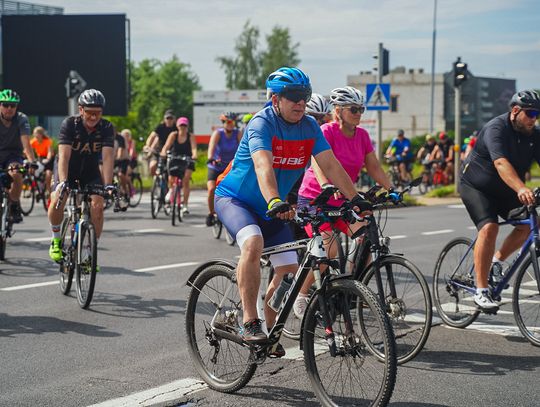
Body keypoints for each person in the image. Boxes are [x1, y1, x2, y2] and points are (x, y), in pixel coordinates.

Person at [214, 67, 371, 354]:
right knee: (253, 242)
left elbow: (330, 164)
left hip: (273, 207)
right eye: (294, 96)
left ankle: (268, 330)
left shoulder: (309, 126)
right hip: (237, 200)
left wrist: (356, 199)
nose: (300, 103)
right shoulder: (262, 123)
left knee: (288, 272)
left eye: (304, 96)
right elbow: (263, 165)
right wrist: (275, 200)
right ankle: (250, 321)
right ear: (275, 99)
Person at [293, 86, 394, 317]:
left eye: (361, 109)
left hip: (342, 200)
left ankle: (351, 285)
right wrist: (326, 184)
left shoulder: (363, 136)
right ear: (338, 111)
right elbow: (318, 162)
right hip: (315, 199)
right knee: (329, 250)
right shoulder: (326, 131)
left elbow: (374, 167)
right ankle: (302, 294)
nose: (359, 114)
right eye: (353, 109)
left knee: (367, 236)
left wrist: (392, 189)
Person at [459, 90, 540, 310]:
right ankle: (481, 291)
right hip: (477, 187)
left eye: (537, 115)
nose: (534, 119)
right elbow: (501, 163)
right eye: (531, 113)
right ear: (515, 111)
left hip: (506, 189)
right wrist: (521, 188)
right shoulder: (496, 128)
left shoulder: (534, 135)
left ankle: (496, 261)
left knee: (530, 224)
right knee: (489, 228)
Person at [48, 89, 115, 263]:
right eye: (90, 112)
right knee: (58, 199)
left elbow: (108, 157)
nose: (93, 117)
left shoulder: (106, 127)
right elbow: (64, 157)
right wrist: (63, 182)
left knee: (98, 207)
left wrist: (108, 185)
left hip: (90, 170)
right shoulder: (70, 124)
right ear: (81, 110)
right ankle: (56, 240)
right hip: (68, 168)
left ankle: (90, 252)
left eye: (97, 113)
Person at [0, 89, 36, 223]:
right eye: (5, 105)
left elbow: (26, 143)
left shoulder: (21, 119)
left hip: (13, 155)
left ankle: (14, 204)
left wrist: (31, 161)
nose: (9, 108)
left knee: (16, 173)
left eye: (13, 105)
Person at [205, 112, 242, 226]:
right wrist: (210, 158)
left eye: (232, 122)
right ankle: (211, 213)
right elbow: (211, 147)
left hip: (231, 167)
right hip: (216, 165)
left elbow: (242, 148)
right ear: (223, 123)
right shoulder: (218, 133)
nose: (230, 124)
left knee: (236, 191)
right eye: (228, 122)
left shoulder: (238, 133)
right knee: (211, 189)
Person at [160, 117, 197, 213]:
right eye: (181, 125)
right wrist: (163, 152)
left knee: (186, 180)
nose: (183, 127)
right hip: (175, 158)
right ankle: (171, 190)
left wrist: (194, 155)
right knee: (171, 177)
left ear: (187, 126)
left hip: (187, 159)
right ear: (177, 126)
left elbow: (194, 148)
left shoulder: (190, 136)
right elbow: (166, 146)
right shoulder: (173, 135)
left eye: (184, 125)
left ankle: (185, 205)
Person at [144, 110, 176, 176]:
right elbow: (152, 136)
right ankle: (157, 179)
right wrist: (147, 145)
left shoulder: (176, 128)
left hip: (171, 151)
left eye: (171, 118)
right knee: (152, 166)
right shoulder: (160, 127)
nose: (169, 120)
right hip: (159, 150)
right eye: (167, 118)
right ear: (164, 119)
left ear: (174, 119)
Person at [30, 126, 55, 198]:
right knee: (33, 171)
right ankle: (37, 189)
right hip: (40, 159)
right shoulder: (34, 141)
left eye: (36, 133)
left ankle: (48, 191)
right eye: (34, 134)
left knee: (48, 174)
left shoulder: (47, 141)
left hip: (49, 160)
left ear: (41, 134)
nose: (34, 135)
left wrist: (48, 159)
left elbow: (50, 152)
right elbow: (28, 149)